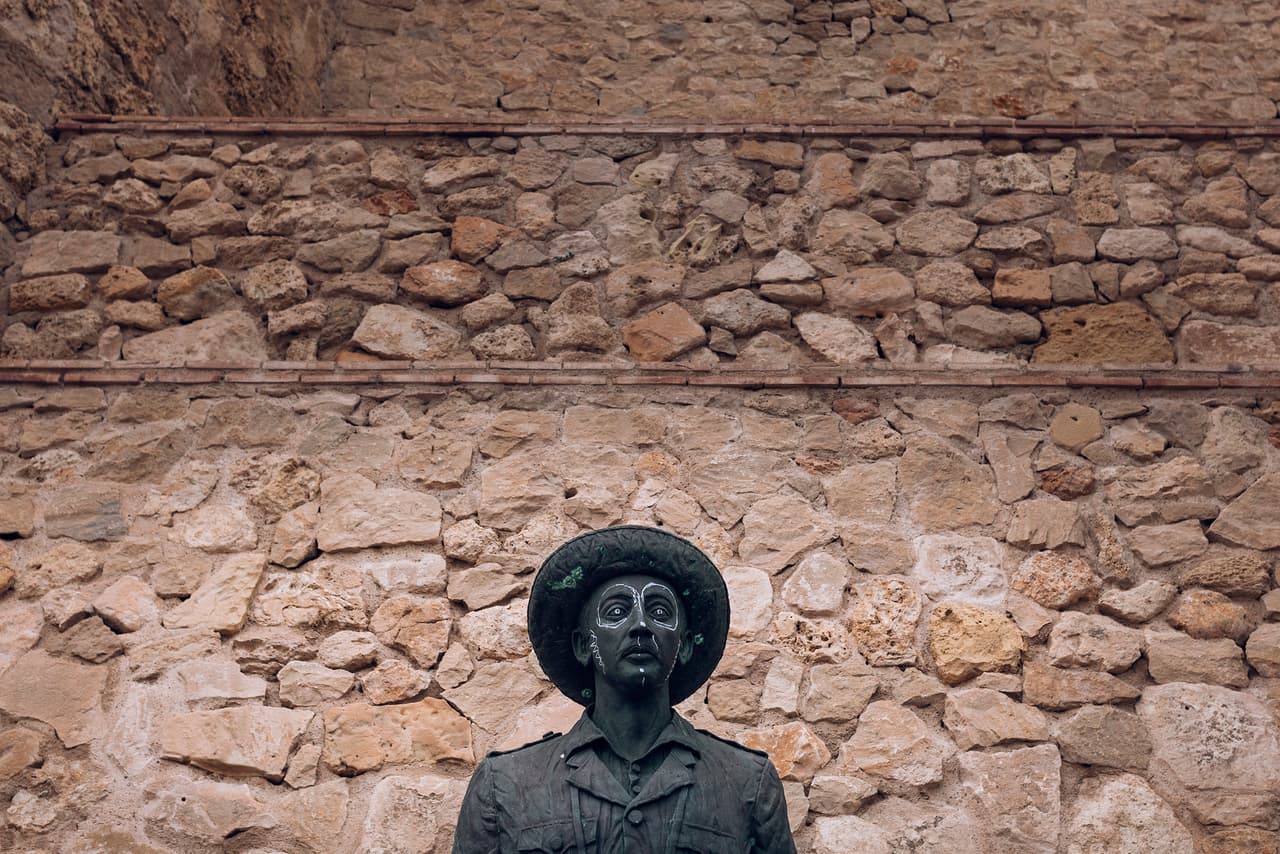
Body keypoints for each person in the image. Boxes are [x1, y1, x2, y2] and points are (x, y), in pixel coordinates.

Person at [453, 524, 797, 853]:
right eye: (617, 611)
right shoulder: (504, 784)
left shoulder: (746, 782)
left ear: (686, 645)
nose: (641, 625)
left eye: (659, 611)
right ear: (583, 645)